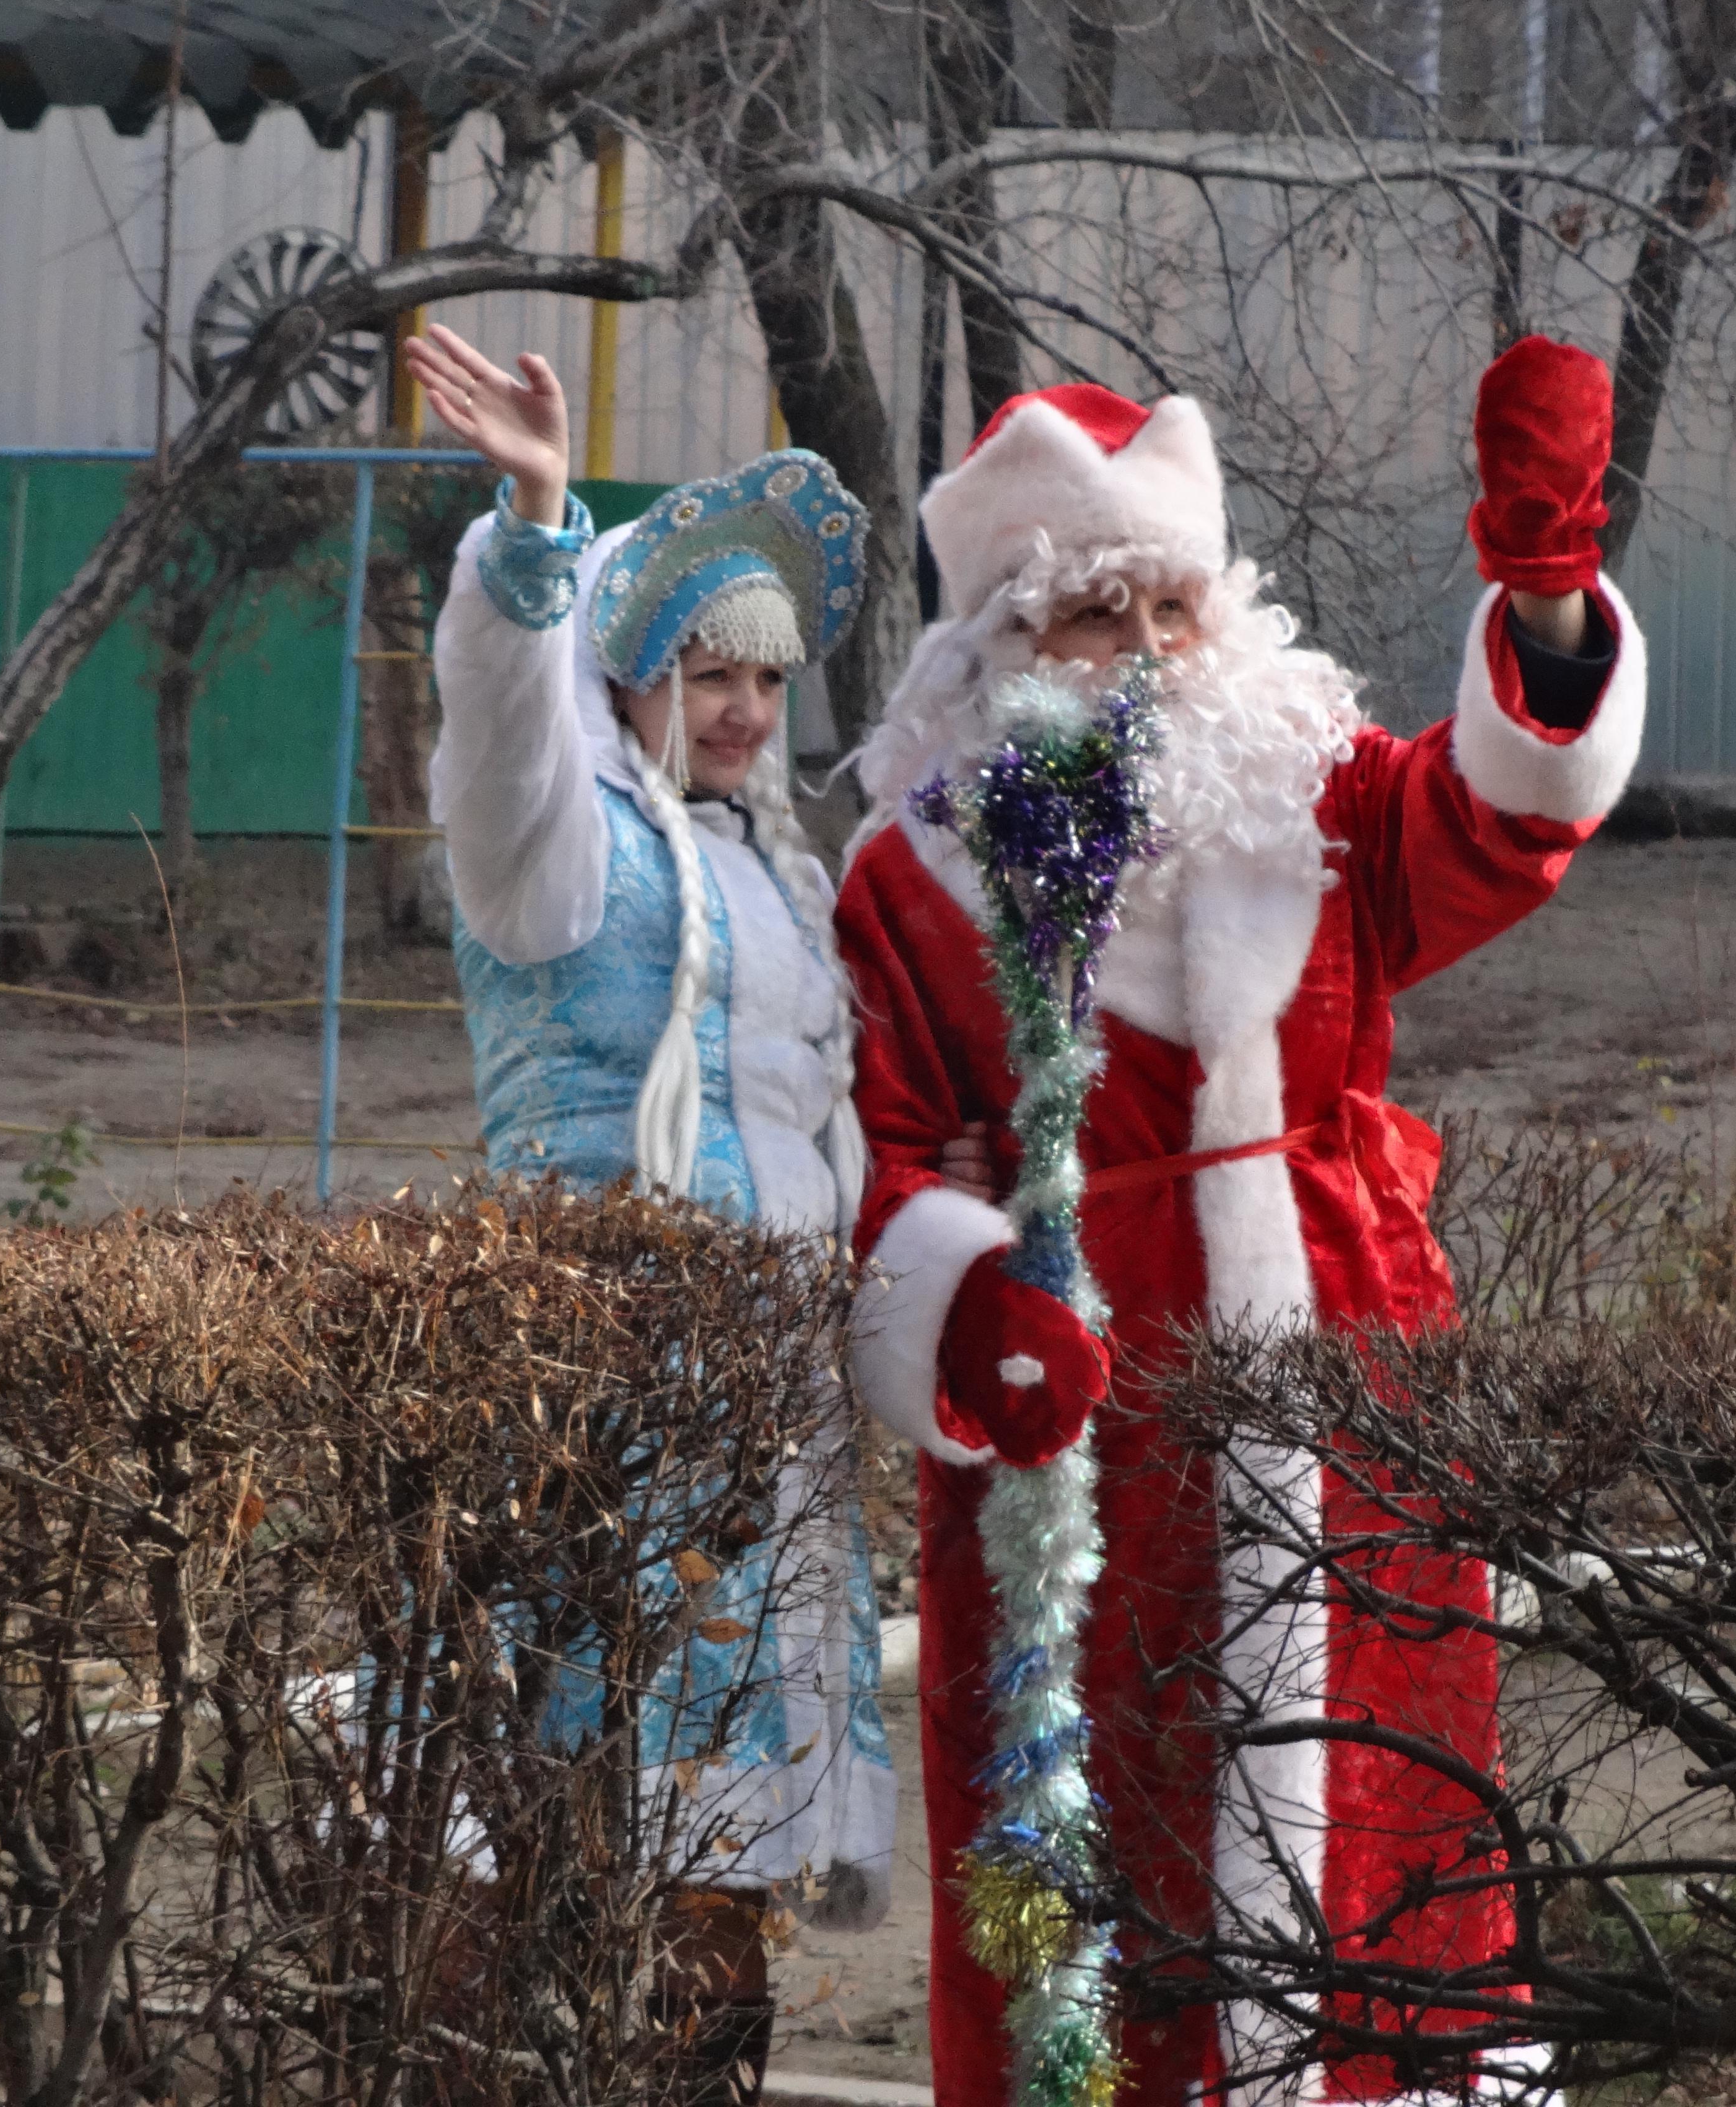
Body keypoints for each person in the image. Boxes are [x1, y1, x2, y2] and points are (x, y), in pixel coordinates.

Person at [833, 340, 1643, 2107]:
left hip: (1341, 1392)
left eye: (1168, 613)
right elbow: (883, 1157)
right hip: (1079, 1430)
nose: (1138, 657)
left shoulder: (1325, 806)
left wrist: (1553, 597)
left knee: (1376, 1796)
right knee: (1102, 1832)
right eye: (1088, 618)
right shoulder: (915, 876)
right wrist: (965, 1306)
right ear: (997, 652)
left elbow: (1507, 815)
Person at [406, 323, 902, 2104]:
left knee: (721, 1871)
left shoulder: (781, 876)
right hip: (594, 1405)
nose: (744, 711)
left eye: (764, 678)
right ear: (627, 666)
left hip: (760, 1426)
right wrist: (539, 521)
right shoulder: (562, 852)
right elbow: (499, 738)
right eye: (703, 668)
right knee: (561, 1830)